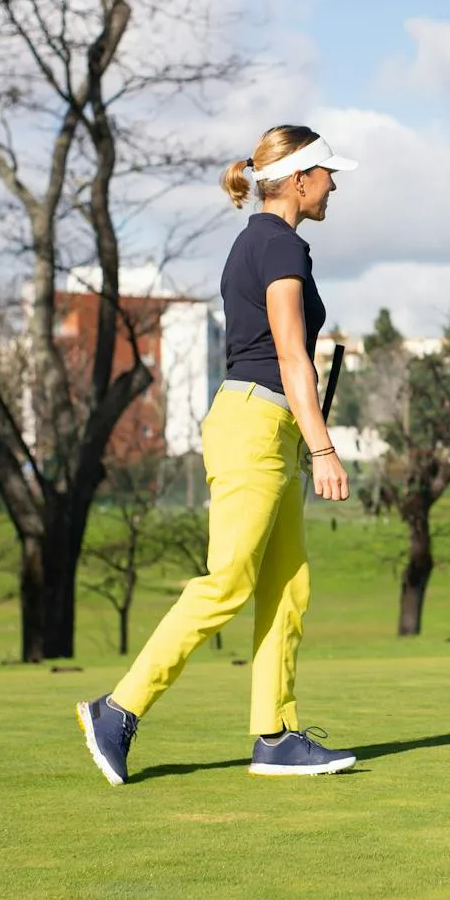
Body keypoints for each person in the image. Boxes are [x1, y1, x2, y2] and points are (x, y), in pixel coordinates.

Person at [77, 125, 359, 785]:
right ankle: (118, 710)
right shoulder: (279, 244)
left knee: (288, 584)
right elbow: (292, 354)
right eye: (326, 174)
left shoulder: (264, 242)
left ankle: (275, 735)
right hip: (257, 425)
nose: (333, 185)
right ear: (298, 180)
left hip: (266, 424)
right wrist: (323, 447)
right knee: (228, 580)